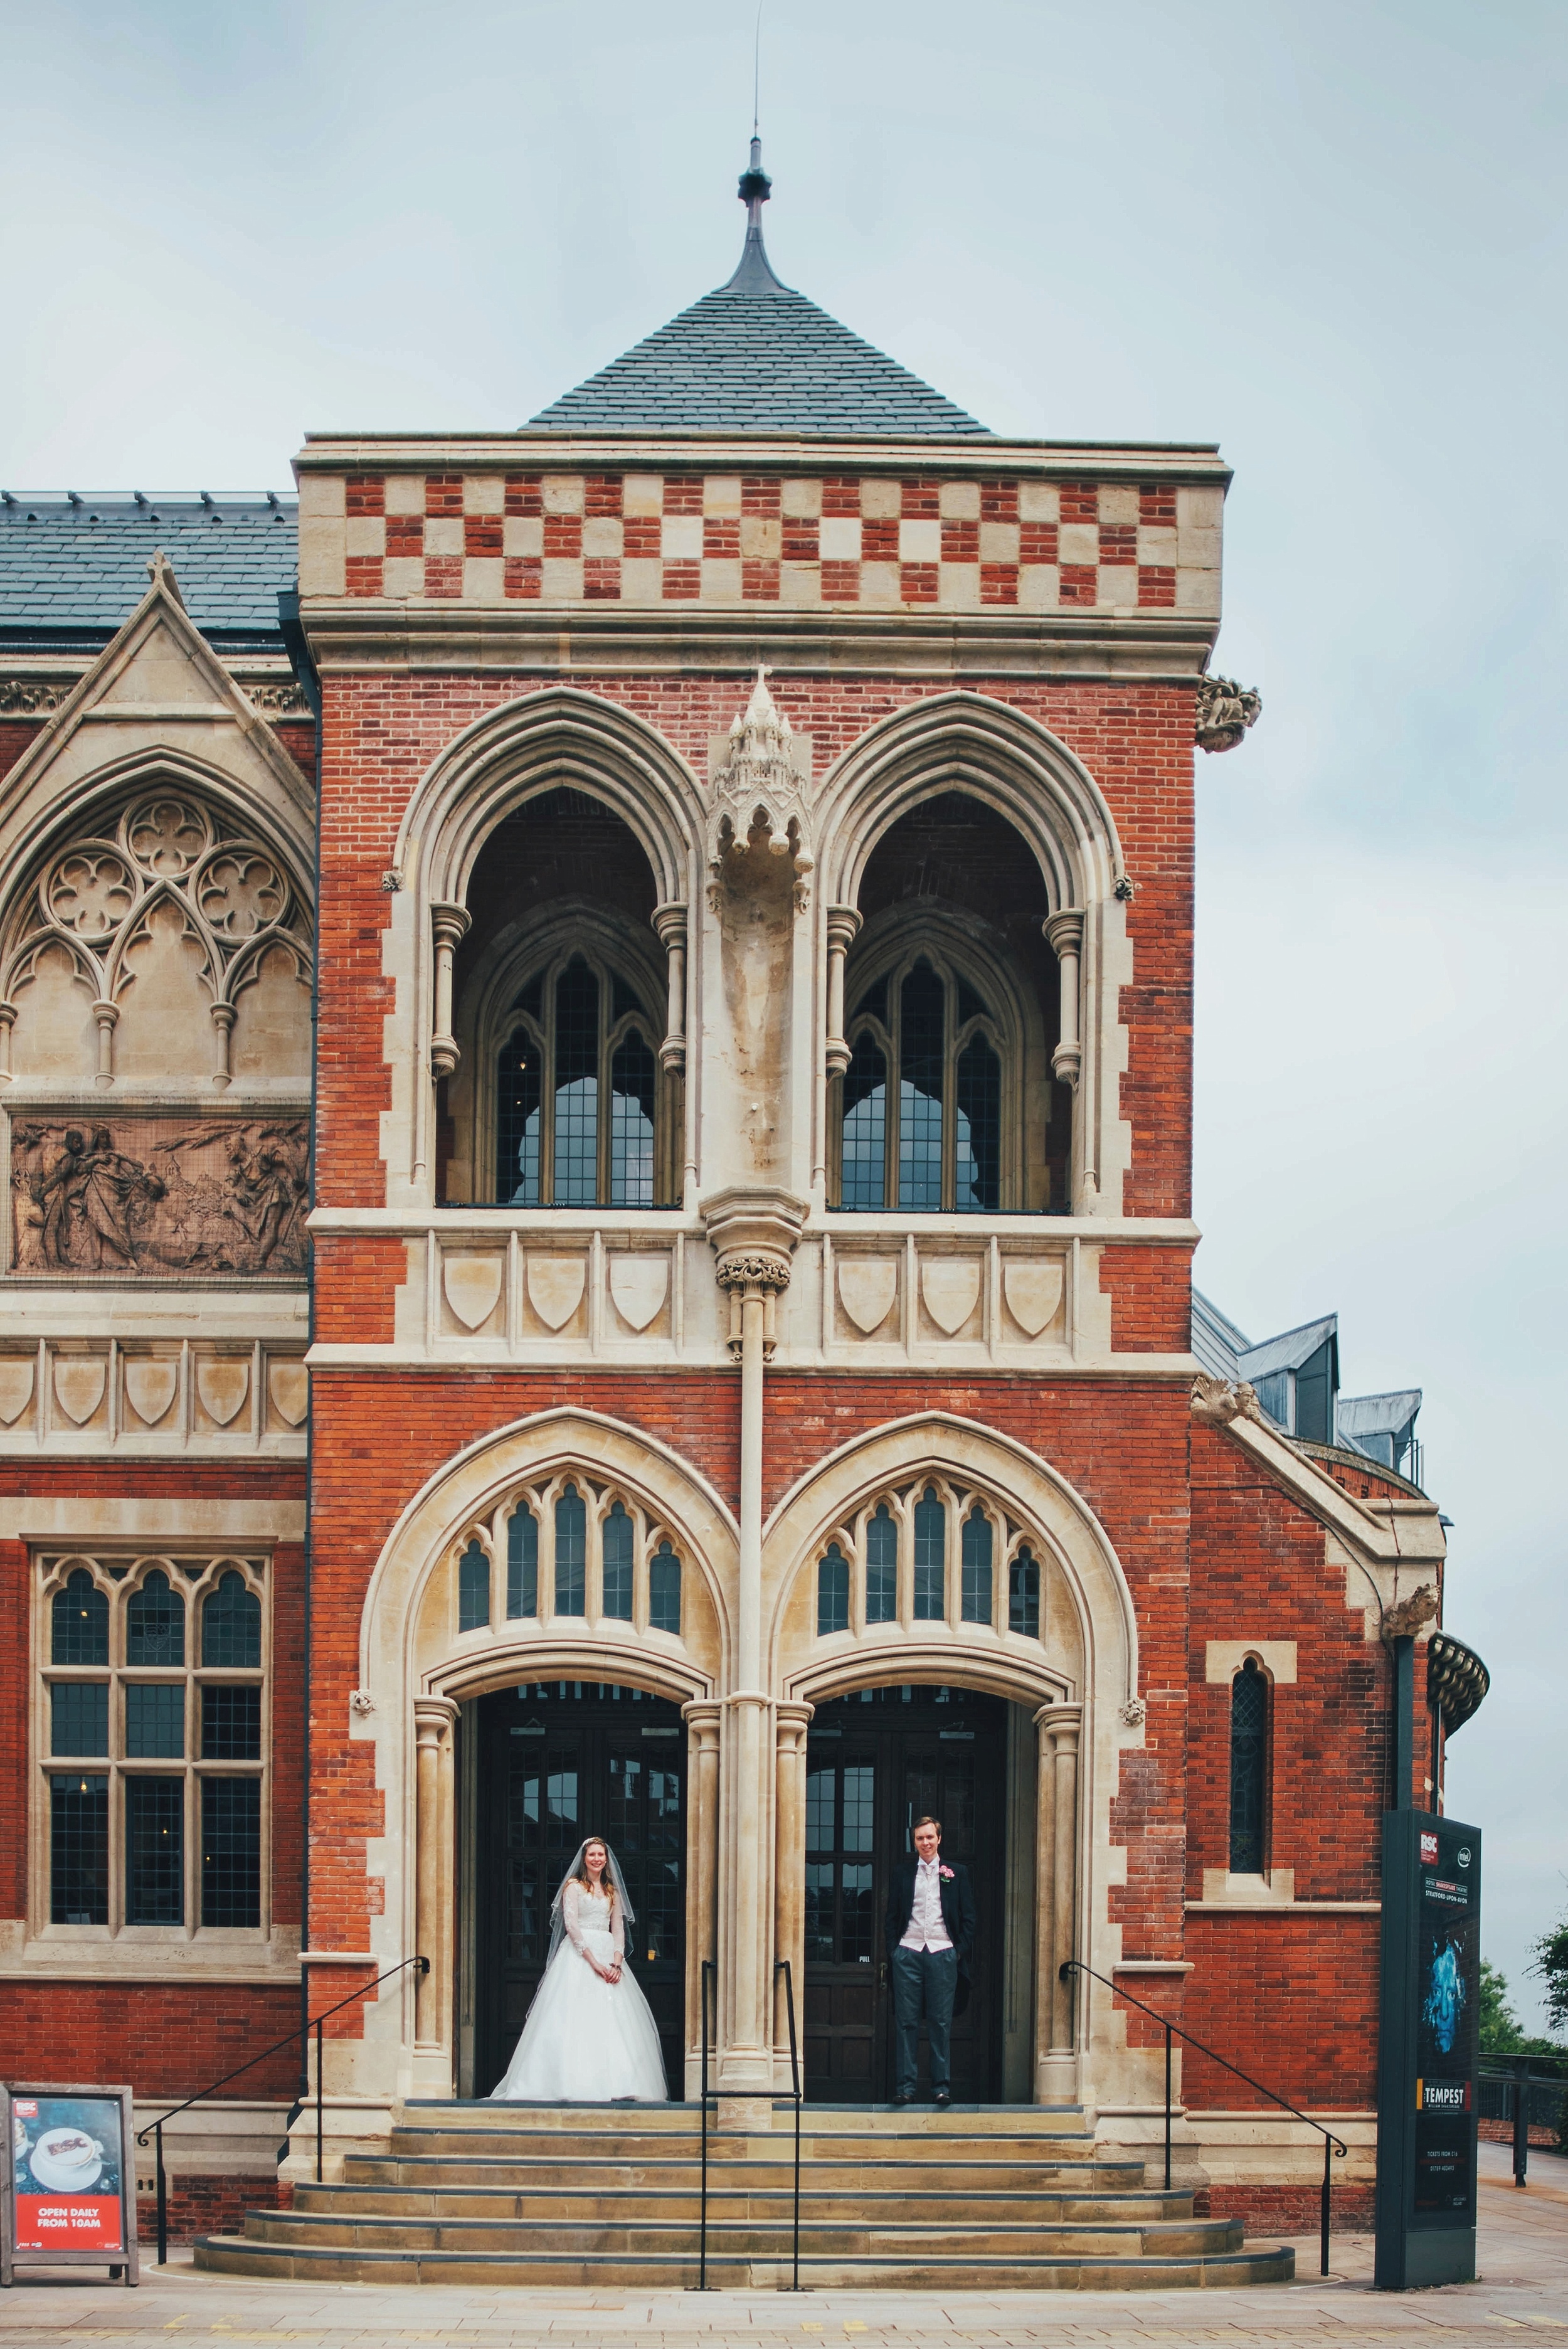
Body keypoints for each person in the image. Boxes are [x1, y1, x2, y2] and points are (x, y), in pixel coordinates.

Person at [489, 1835, 667, 2102]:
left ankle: (620, 2084)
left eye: (601, 1855)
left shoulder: (612, 1892)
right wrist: (594, 1962)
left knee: (614, 2022)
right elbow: (571, 1926)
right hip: (580, 1955)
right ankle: (567, 2083)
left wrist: (617, 1962)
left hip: (608, 1953)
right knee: (574, 2018)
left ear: (606, 1859)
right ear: (584, 1858)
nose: (597, 1859)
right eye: (592, 1854)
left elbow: (618, 1928)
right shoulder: (573, 1887)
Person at [884, 1813, 976, 2106]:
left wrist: (956, 1951)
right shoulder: (902, 1874)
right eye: (920, 1838)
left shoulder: (956, 1873)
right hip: (908, 1952)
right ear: (915, 1842)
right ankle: (906, 2088)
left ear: (939, 1839)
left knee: (940, 2022)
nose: (925, 1842)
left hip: (942, 1954)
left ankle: (941, 2088)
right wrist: (895, 1950)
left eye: (929, 1837)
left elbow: (969, 1918)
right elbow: (892, 1917)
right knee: (907, 2023)